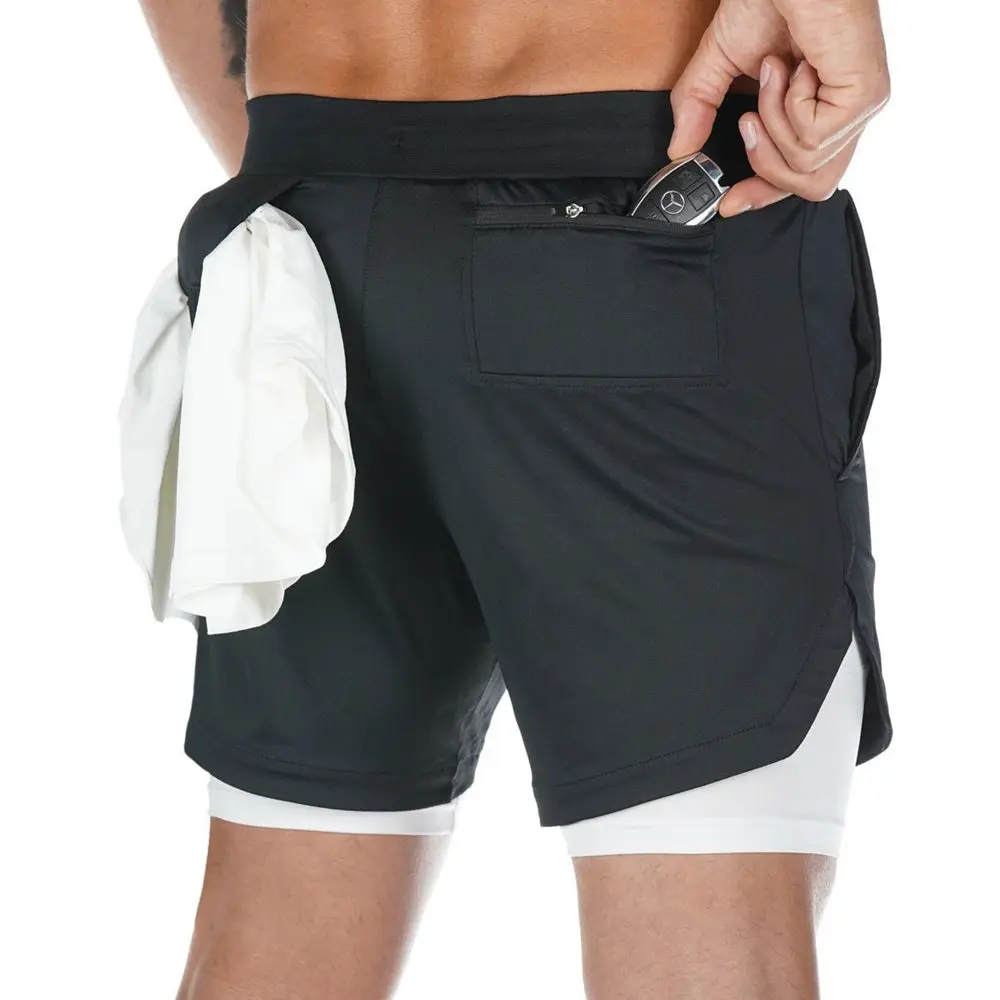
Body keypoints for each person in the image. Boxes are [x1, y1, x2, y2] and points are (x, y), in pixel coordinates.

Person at [137, 1, 893, 997]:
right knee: (705, 934)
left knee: (276, 915)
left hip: (306, 237)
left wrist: (338, 186)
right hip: (635, 225)